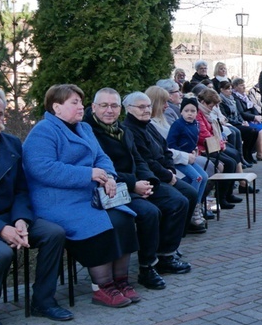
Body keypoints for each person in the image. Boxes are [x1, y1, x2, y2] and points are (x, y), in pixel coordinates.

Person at [23, 84, 140, 308]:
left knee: (123, 218)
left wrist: (110, 176)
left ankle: (120, 281)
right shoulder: (43, 131)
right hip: (56, 201)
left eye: (80, 102)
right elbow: (42, 168)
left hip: (87, 196)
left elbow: (102, 158)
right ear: (57, 108)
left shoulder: (84, 128)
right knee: (97, 222)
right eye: (74, 102)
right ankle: (102, 287)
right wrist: (88, 174)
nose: (81, 107)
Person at [0, 89, 71, 325]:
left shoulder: (12, 143)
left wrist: (20, 220)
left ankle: (42, 301)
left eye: (1, 113)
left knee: (53, 233)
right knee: (0, 252)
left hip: (9, 217)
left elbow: (21, 190)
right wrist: (1, 229)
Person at [85, 88, 192, 288]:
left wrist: (149, 182)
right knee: (149, 212)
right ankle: (147, 267)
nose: (110, 110)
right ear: (93, 108)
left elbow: (138, 159)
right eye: (104, 106)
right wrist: (134, 184)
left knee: (178, 201)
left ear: (120, 109)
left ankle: (166, 255)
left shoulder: (122, 130)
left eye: (114, 106)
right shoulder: (89, 132)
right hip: (110, 189)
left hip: (135, 183)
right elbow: (101, 170)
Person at [121, 91, 204, 236]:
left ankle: (177, 237)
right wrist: (168, 175)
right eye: (141, 107)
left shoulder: (148, 125)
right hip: (151, 177)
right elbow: (146, 160)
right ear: (129, 109)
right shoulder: (130, 130)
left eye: (148, 106)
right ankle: (166, 247)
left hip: (165, 171)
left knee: (190, 193)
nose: (146, 110)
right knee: (179, 200)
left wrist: (170, 169)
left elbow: (165, 149)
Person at [165, 96, 211, 230]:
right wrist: (184, 154)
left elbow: (193, 140)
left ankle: (197, 204)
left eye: (193, 111)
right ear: (181, 112)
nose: (190, 114)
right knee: (196, 177)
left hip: (190, 157)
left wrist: (194, 149)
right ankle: (192, 208)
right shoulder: (177, 125)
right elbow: (170, 145)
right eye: (186, 111)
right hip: (179, 158)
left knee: (204, 176)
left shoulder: (195, 124)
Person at [216, 80, 259, 165]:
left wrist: (243, 121)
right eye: (228, 89)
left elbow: (238, 113)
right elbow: (226, 117)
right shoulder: (220, 101)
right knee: (246, 131)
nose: (230, 91)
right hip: (232, 124)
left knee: (255, 131)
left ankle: (248, 154)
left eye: (231, 89)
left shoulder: (232, 99)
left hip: (238, 122)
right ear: (221, 90)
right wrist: (239, 123)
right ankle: (241, 157)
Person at [232, 78, 262, 161]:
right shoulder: (235, 97)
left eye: (244, 85)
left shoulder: (245, 96)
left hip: (252, 118)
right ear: (235, 87)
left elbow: (252, 107)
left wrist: (257, 115)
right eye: (241, 85)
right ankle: (260, 153)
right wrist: (253, 117)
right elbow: (241, 112)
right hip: (245, 120)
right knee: (260, 131)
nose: (244, 87)